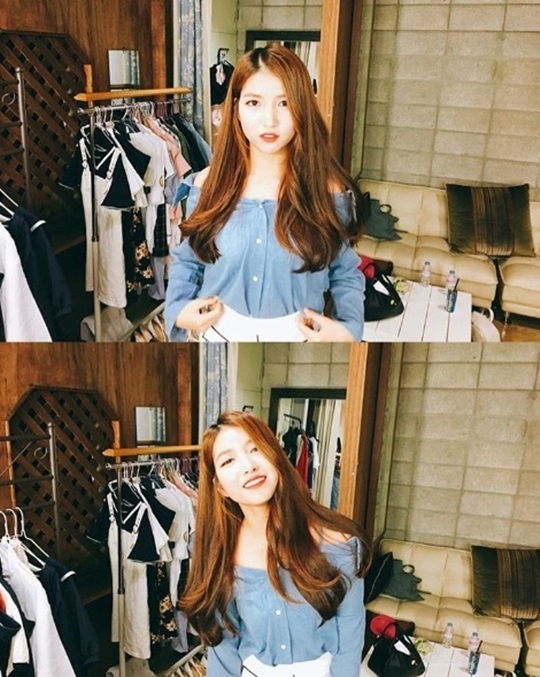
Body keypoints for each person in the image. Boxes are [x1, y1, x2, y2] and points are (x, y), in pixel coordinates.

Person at [164, 44, 365, 343]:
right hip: (217, 333)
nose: (269, 120)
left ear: (302, 108)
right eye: (254, 103)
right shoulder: (207, 185)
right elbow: (190, 258)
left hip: (299, 338)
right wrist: (177, 309)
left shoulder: (327, 191)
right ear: (236, 109)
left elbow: (344, 270)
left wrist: (350, 329)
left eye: (284, 103)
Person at [180, 411, 371, 676]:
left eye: (255, 449)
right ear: (220, 487)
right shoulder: (220, 553)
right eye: (228, 461)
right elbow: (223, 647)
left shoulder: (338, 543)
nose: (249, 466)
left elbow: (350, 635)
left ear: (276, 457)